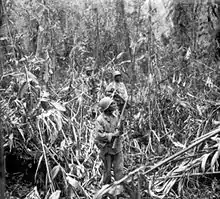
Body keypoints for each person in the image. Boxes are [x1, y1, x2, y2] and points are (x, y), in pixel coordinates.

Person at [94, 97, 124, 184]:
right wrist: (112, 135)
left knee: (119, 170)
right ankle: (106, 191)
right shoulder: (100, 120)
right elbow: (99, 135)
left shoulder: (116, 117)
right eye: (112, 104)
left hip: (117, 148)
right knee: (107, 173)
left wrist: (121, 125)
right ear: (106, 107)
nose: (114, 105)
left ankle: (119, 190)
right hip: (106, 149)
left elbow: (120, 132)